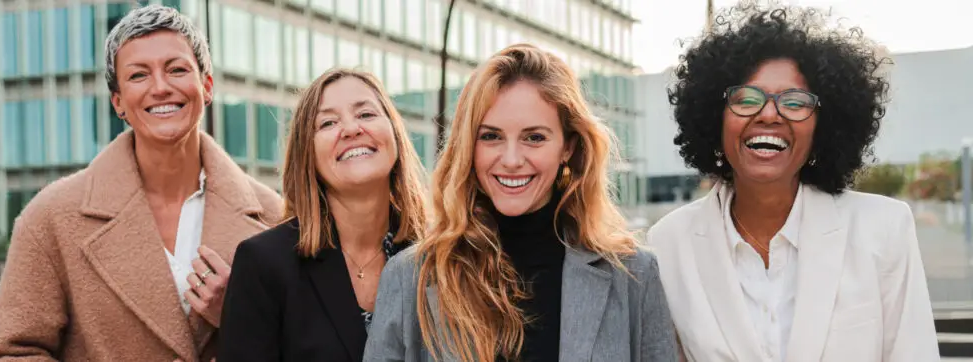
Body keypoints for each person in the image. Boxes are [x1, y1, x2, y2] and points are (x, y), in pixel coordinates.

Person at [0, 5, 282, 361]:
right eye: (138, 76)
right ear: (118, 102)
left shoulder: (276, 217)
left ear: (206, 86)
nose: (160, 88)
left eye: (177, 69)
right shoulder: (52, 217)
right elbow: (4, 354)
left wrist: (240, 313)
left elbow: (312, 346)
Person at [649, 3, 940, 362]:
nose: (769, 114)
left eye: (795, 102)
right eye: (746, 99)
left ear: (824, 126)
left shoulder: (884, 227)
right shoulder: (667, 244)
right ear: (714, 119)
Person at [364, 44, 677, 362]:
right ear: (469, 147)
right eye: (491, 136)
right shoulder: (410, 277)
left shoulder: (634, 275)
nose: (511, 160)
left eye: (534, 137)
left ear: (568, 147)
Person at [217, 68, 429, 361]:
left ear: (394, 133)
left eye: (366, 114)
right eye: (328, 122)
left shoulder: (437, 259)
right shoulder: (263, 265)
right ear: (308, 154)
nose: (352, 129)